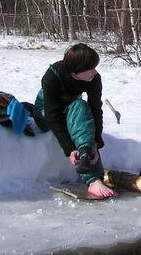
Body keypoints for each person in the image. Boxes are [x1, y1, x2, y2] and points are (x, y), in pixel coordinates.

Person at [35, 43, 116, 200]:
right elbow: (52, 116)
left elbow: (95, 109)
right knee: (78, 112)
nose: (94, 72)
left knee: (80, 107)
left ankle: (88, 162)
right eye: (90, 68)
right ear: (75, 72)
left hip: (71, 111)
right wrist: (69, 148)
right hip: (45, 113)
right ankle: (93, 179)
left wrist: (95, 141)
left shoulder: (94, 78)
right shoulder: (52, 77)